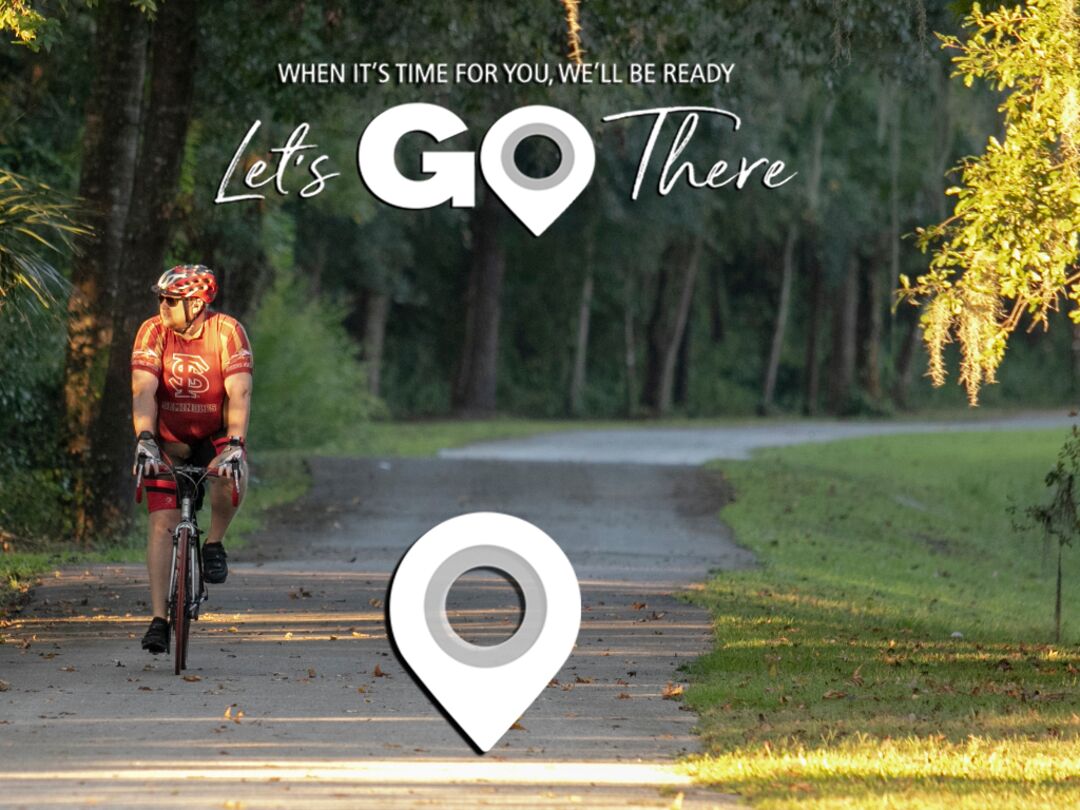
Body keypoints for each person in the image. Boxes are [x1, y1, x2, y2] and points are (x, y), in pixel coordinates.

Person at [130, 265, 253, 654]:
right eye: (160, 298)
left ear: (197, 304)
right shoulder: (153, 331)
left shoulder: (227, 331)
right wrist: (146, 439)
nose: (162, 305)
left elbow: (239, 392)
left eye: (170, 300)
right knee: (163, 523)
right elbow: (143, 389)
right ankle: (158, 620)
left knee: (230, 473)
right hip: (166, 436)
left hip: (213, 433)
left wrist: (235, 443)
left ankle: (214, 542)